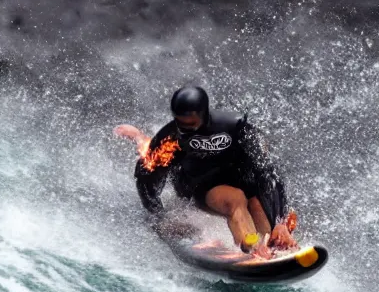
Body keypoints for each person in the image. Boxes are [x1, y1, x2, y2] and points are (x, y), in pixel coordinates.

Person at [114, 86, 297, 258]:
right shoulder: (171, 139)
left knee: (260, 208)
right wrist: (159, 217)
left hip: (243, 180)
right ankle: (254, 247)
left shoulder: (236, 127)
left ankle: (272, 246)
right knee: (235, 199)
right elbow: (147, 179)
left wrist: (281, 223)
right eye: (181, 123)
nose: (186, 129)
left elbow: (269, 171)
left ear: (203, 114)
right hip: (201, 186)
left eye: (192, 123)